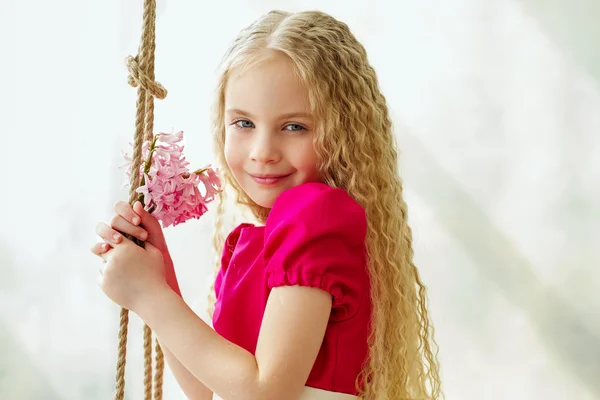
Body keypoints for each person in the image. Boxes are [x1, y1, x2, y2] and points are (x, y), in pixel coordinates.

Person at [91, 10, 442, 400]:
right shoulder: (249, 244)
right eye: (243, 123)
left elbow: (265, 392)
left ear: (342, 132)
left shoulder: (316, 217)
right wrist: (160, 276)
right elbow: (207, 387)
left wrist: (148, 296)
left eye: (294, 127)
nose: (262, 152)